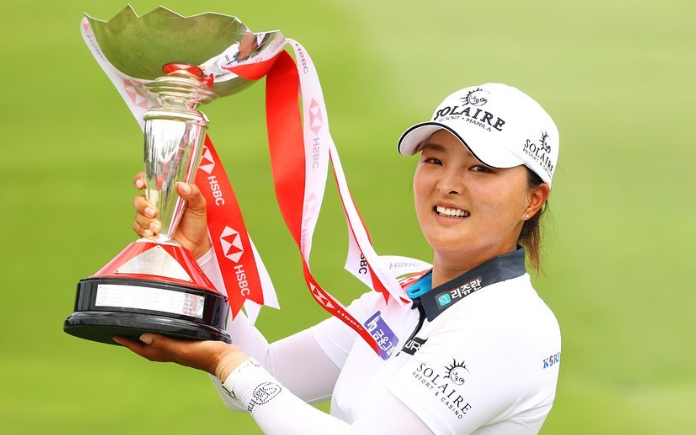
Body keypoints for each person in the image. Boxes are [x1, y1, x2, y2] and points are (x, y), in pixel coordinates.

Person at [116, 82, 562, 435]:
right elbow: (269, 373)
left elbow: (245, 374)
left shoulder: (509, 325)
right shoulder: (405, 294)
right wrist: (202, 258)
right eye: (434, 160)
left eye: (480, 168)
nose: (447, 184)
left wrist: (225, 362)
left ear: (533, 200)